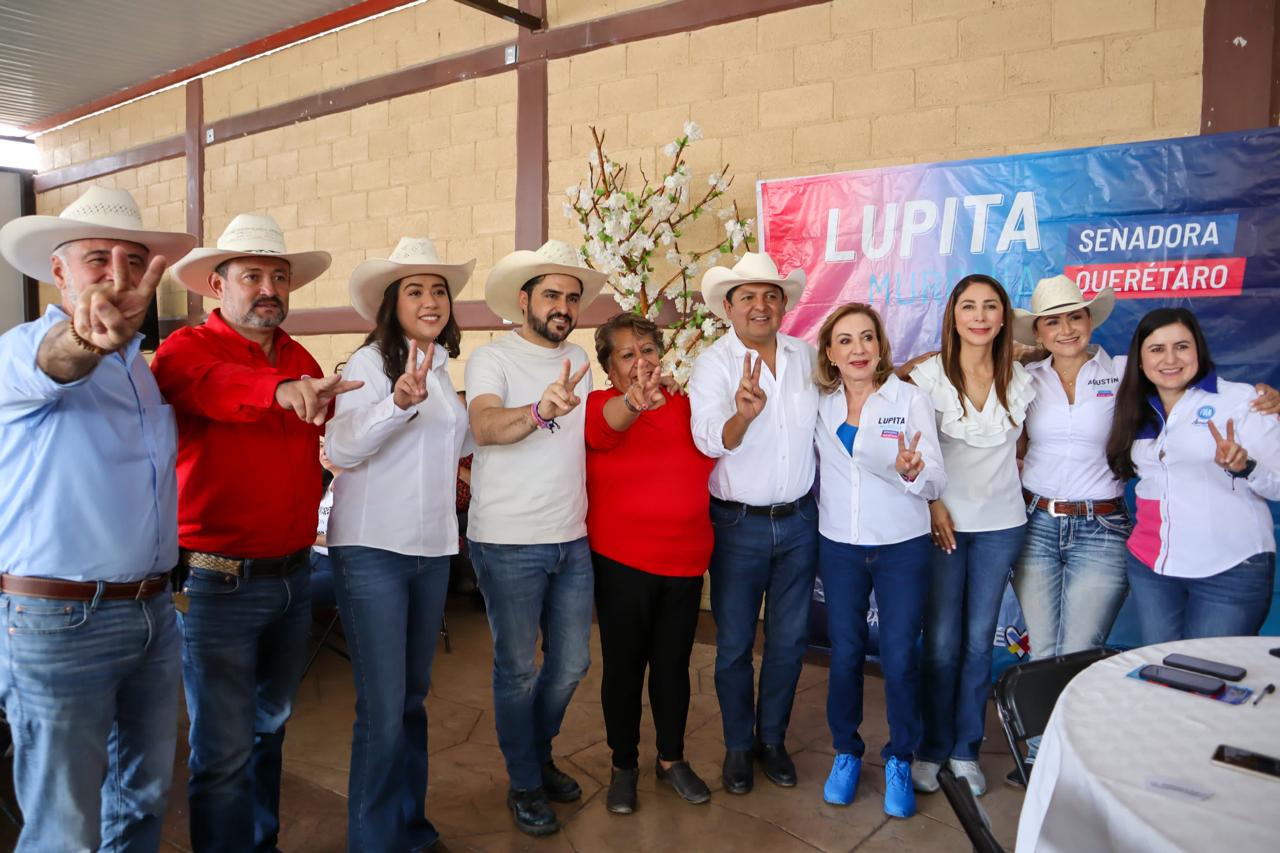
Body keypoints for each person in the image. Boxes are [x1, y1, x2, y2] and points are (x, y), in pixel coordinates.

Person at [152, 213, 361, 853]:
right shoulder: (187, 350)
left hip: (293, 577)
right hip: (218, 584)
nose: (268, 288)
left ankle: (261, 844)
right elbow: (219, 388)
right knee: (221, 751)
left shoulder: (301, 356)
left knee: (271, 730)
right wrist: (280, 391)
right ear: (218, 285)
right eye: (251, 276)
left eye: (278, 276)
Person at [0, 186, 195, 852]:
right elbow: (61, 358)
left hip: (151, 612)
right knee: (64, 825)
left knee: (140, 802)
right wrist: (83, 335)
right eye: (96, 260)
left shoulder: (142, 373)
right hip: (59, 621)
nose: (117, 275)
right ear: (58, 273)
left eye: (133, 261)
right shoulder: (22, 352)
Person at [323, 237, 475, 852]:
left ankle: (410, 829)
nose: (431, 299)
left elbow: (457, 449)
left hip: (432, 549)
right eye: (415, 289)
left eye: (438, 289)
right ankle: (372, 841)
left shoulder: (440, 370)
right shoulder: (366, 366)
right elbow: (341, 451)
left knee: (412, 702)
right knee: (383, 712)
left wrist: (536, 416)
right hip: (373, 551)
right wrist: (395, 405)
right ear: (392, 304)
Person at [463, 240, 606, 836]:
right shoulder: (490, 359)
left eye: (572, 297)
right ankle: (525, 781)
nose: (564, 306)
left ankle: (535, 751)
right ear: (524, 300)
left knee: (571, 662)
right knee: (518, 670)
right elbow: (486, 425)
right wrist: (541, 411)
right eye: (552, 294)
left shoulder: (579, 357)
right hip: (507, 541)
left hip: (571, 536)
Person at [688, 252, 818, 795]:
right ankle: (739, 747)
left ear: (783, 305)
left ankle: (772, 741)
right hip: (738, 526)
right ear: (728, 307)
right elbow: (707, 440)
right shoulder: (713, 364)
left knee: (788, 643)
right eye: (747, 297)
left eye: (770, 295)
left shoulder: (807, 356)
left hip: (799, 523)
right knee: (737, 645)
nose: (760, 305)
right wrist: (743, 414)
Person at [812, 304, 946, 819]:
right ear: (830, 352)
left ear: (881, 346)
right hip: (840, 545)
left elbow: (935, 479)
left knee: (898, 656)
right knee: (844, 652)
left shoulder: (908, 398)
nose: (858, 349)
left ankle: (900, 758)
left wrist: (913, 472)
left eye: (867, 338)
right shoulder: (820, 403)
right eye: (845, 340)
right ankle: (846, 753)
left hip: (901, 544)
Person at [907, 274, 1034, 798]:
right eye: (968, 307)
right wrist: (934, 503)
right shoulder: (926, 376)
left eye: (990, 307)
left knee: (980, 643)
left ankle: (965, 750)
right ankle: (930, 747)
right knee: (939, 643)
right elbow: (911, 451)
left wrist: (1035, 344)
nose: (979, 316)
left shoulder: (1023, 376)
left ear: (1004, 317)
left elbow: (1078, 346)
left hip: (1002, 526)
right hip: (944, 526)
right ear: (953, 316)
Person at [585, 312, 716, 815]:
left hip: (685, 561)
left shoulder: (689, 407)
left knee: (673, 668)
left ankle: (671, 758)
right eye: (626, 354)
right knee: (623, 669)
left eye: (647, 350)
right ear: (610, 369)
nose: (640, 362)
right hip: (623, 563)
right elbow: (608, 429)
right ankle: (623, 764)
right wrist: (632, 405)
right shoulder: (601, 406)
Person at [1105, 307, 1279, 643]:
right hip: (1153, 568)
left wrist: (1246, 467)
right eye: (1156, 349)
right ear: (1139, 361)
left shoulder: (1243, 401)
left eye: (1182, 346)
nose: (1170, 359)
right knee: (1165, 671)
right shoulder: (1133, 404)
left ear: (1198, 349)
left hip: (1229, 566)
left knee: (1213, 679)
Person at [1012, 276, 1133, 661]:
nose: (1066, 330)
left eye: (1074, 318)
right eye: (1052, 322)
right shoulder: (1024, 380)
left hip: (1102, 527)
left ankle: (1065, 723)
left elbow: (1185, 381)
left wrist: (1256, 399)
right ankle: (1044, 726)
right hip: (1035, 525)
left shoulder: (1123, 373)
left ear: (1089, 321)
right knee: (1042, 652)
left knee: (1081, 651)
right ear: (1038, 333)